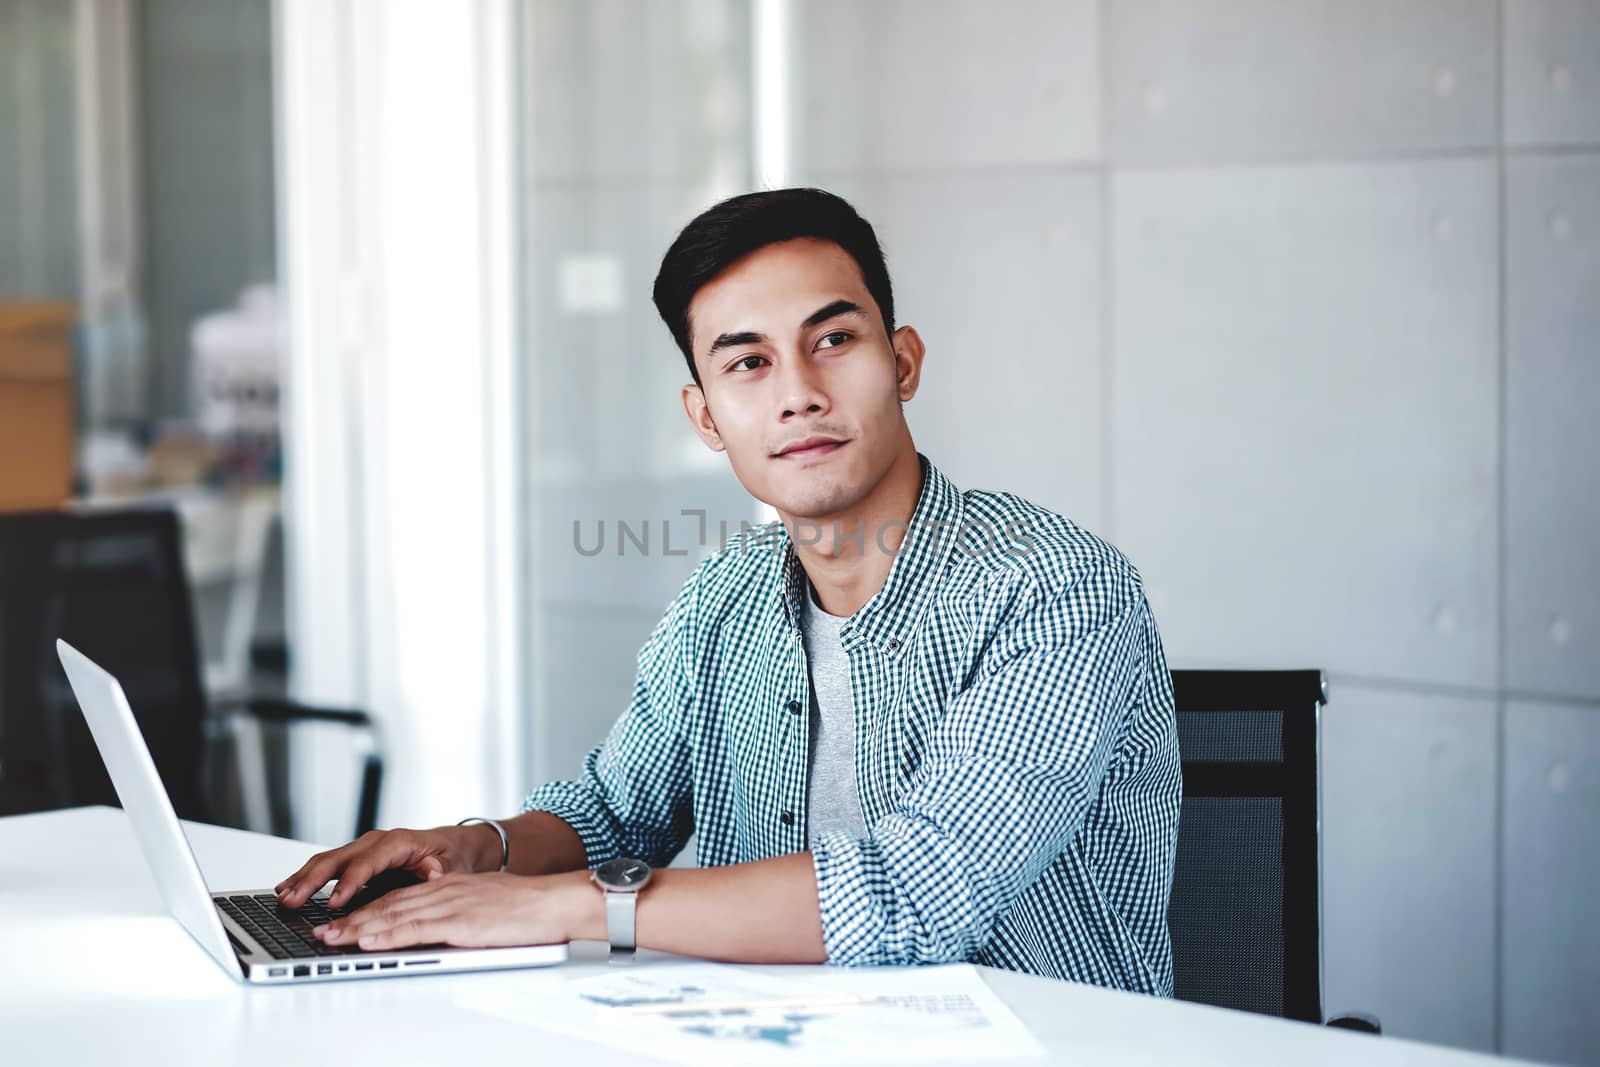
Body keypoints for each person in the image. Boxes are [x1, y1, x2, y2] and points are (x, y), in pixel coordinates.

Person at [275, 188, 1182, 993]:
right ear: (706, 415)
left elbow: (917, 896)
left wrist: (558, 908)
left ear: (902, 362)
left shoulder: (1057, 586)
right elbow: (612, 809)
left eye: (833, 339)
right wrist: (481, 849)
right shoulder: (728, 592)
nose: (799, 394)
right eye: (748, 362)